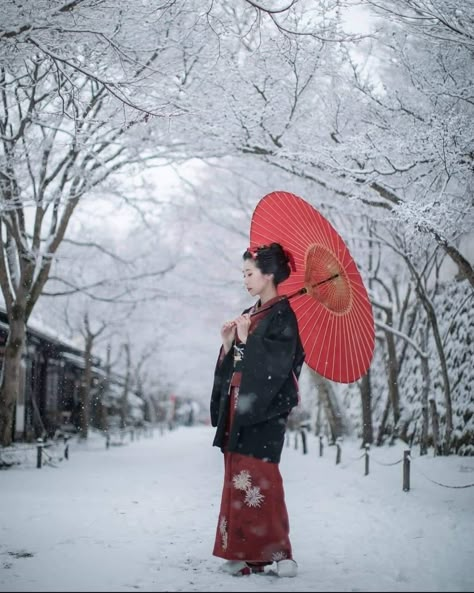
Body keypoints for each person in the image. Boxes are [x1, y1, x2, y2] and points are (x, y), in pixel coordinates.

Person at [210, 242, 305, 578]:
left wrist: (251, 341)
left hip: (264, 410)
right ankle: (240, 552)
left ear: (269, 274)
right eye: (243, 274)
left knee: (261, 476)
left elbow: (283, 366)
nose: (245, 280)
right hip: (239, 403)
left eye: (249, 273)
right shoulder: (254, 314)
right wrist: (228, 345)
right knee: (237, 475)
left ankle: (280, 553)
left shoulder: (284, 315)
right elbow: (236, 363)